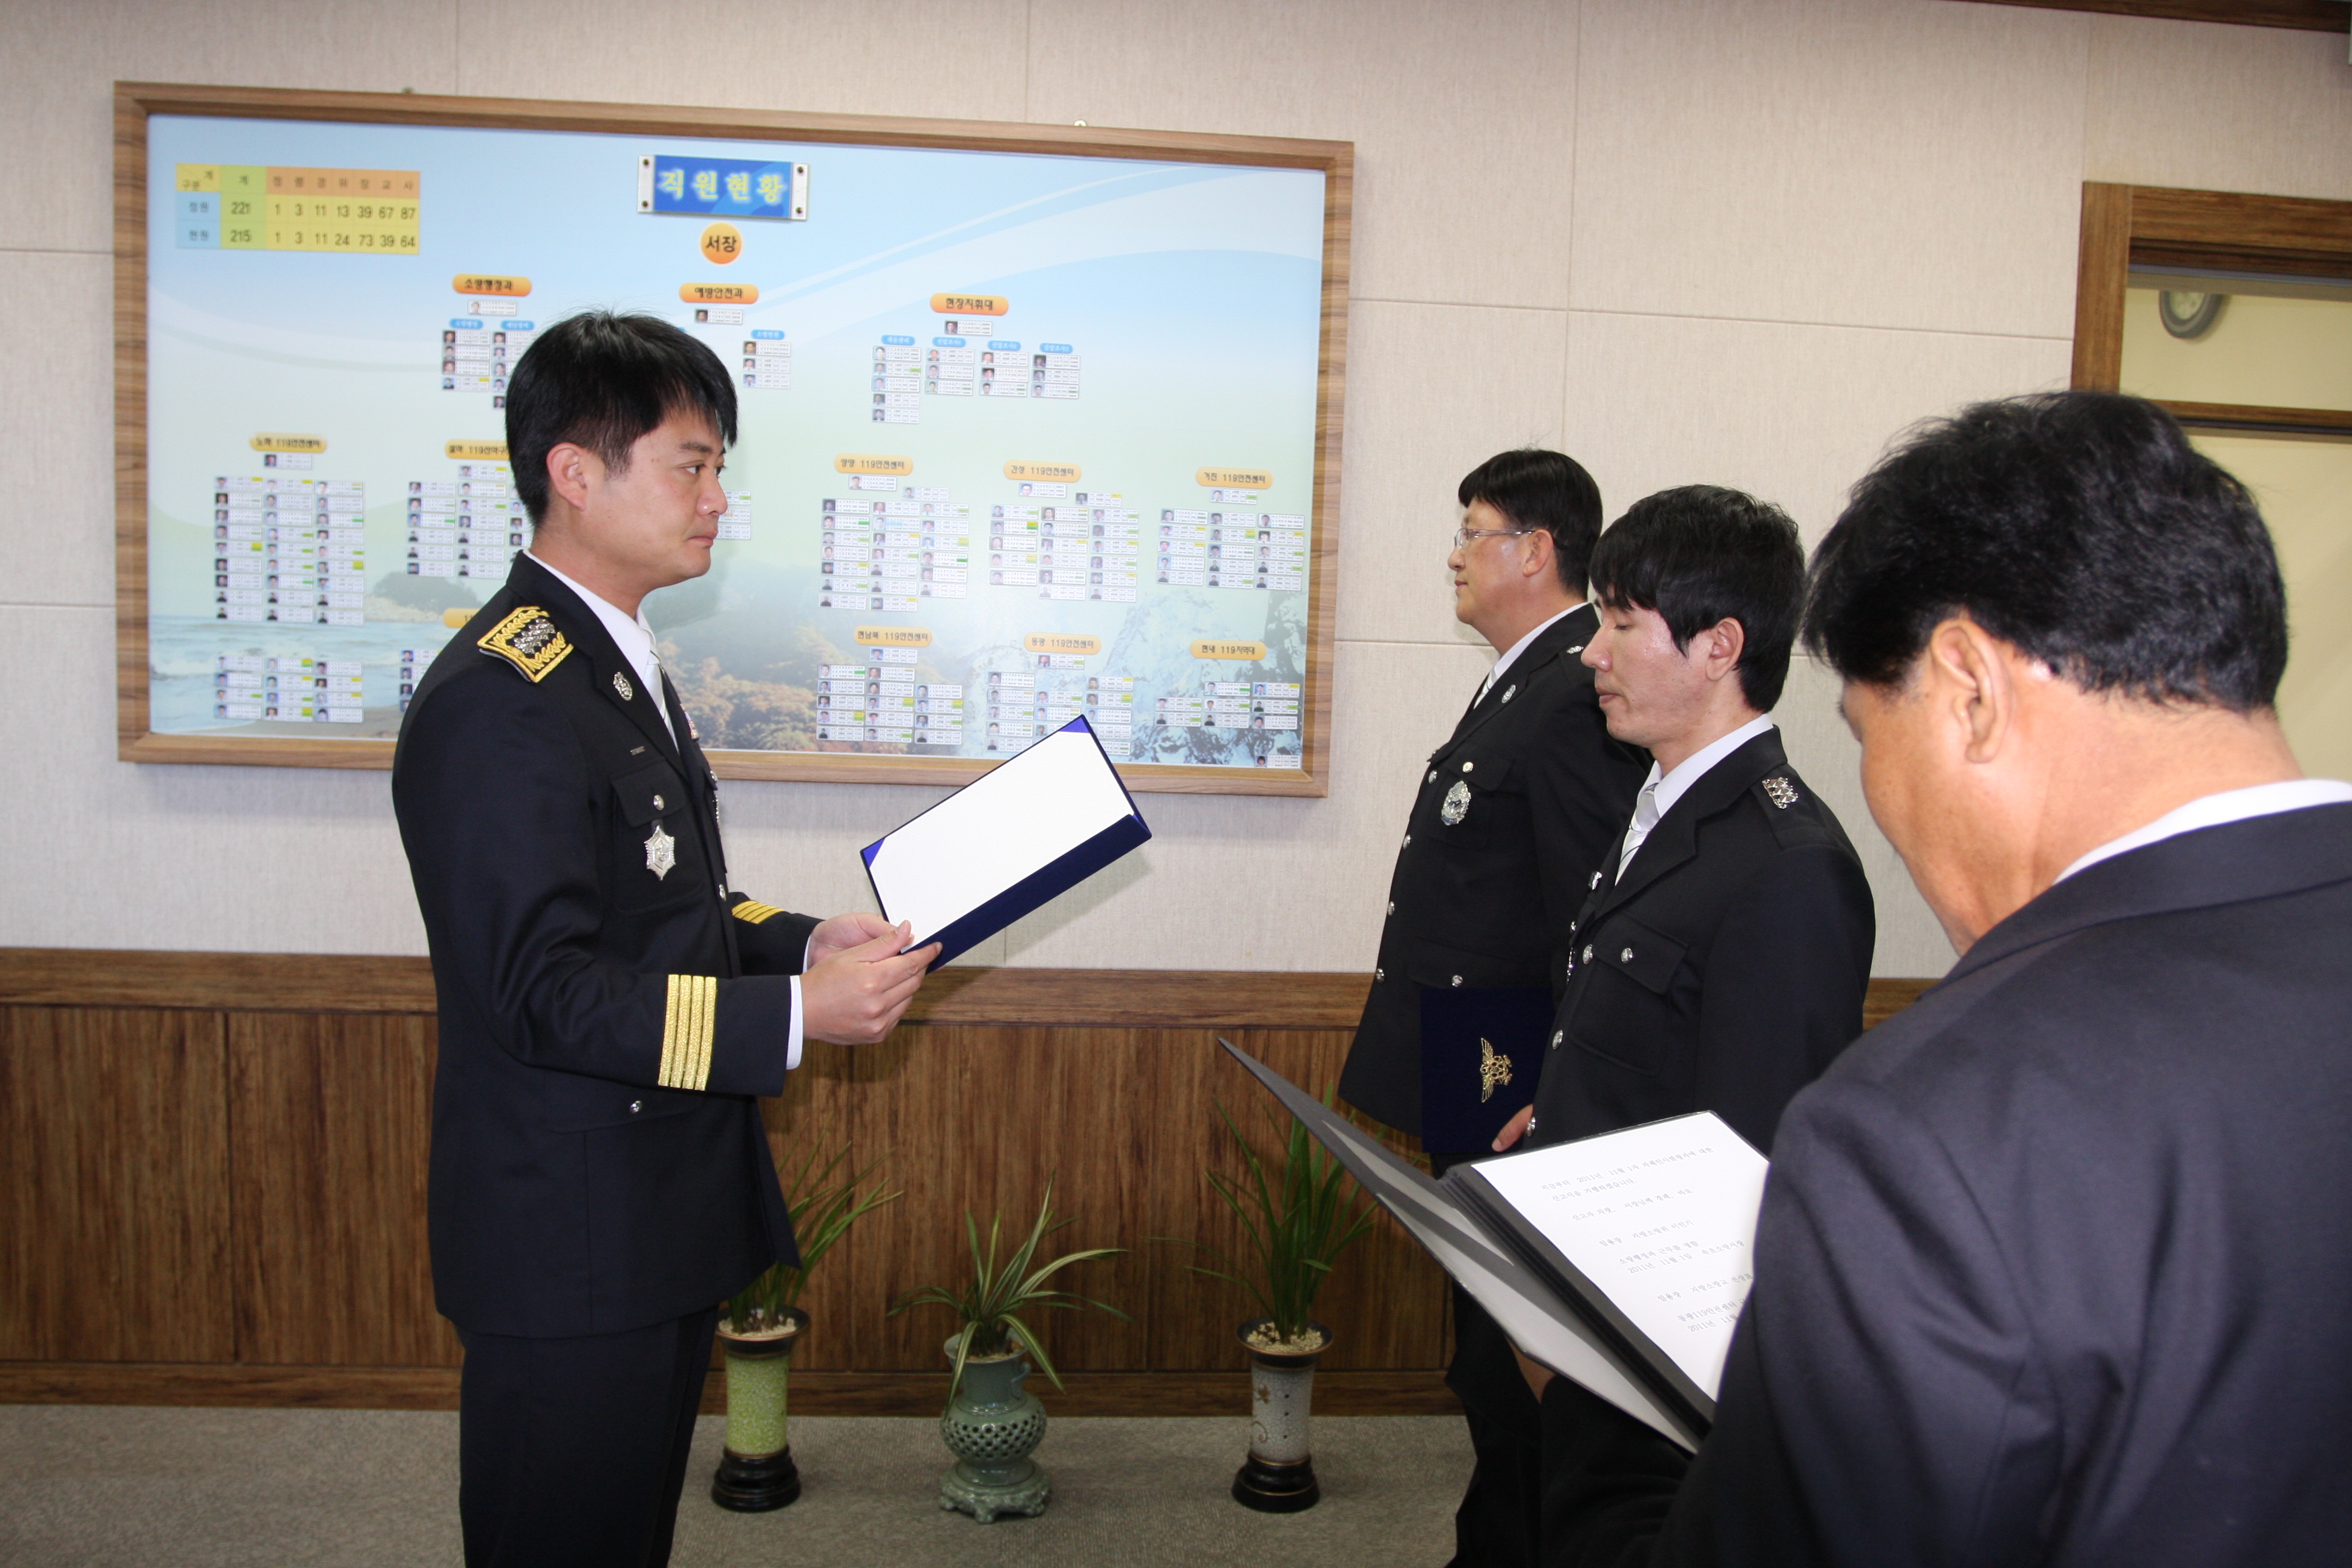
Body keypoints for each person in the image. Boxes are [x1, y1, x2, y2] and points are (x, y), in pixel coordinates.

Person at [1533, 392, 2352, 1567]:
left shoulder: (1926, 1133)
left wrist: (1591, 1458)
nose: (1877, 795)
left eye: (1871, 733)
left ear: (1968, 688)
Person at [393, 310, 938, 1568]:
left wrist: (802, 944)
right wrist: (797, 1016)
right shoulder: (503, 700)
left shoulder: (607, 662)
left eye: (717, 468)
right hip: (571, 1236)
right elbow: (540, 989)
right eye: (691, 465)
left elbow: (671, 905)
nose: (717, 499)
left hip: (644, 1215)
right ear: (575, 475)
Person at [1338, 449, 1649, 1566]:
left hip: (1507, 1072)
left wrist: (1557, 1093)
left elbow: (1589, 917)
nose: (1456, 557)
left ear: (1536, 550)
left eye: (1474, 532)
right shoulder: (1528, 678)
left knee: (1509, 1354)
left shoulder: (1570, 691)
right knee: (1485, 1341)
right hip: (1474, 1058)